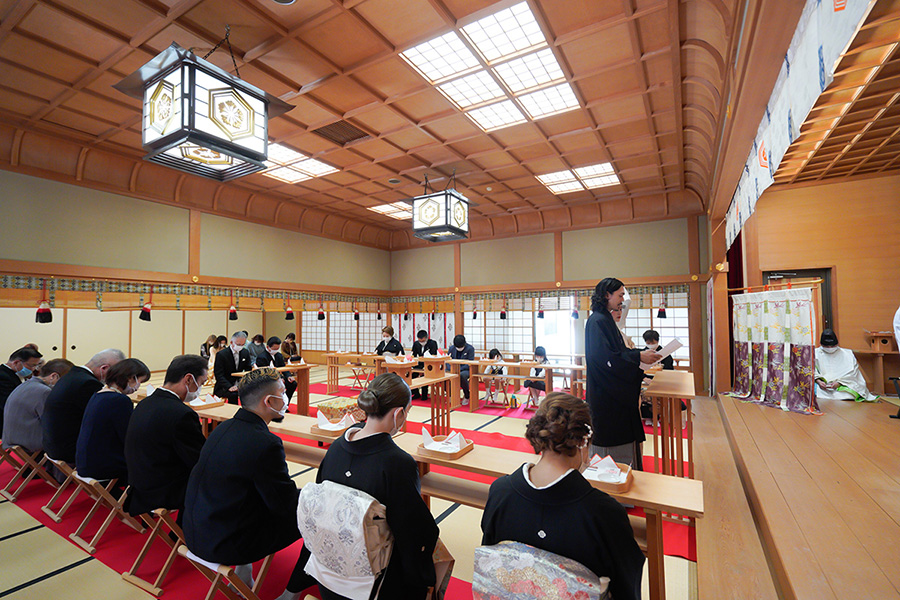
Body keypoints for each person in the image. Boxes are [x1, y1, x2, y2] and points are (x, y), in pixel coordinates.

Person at [283, 373, 439, 600]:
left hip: (326, 573)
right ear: (399, 413)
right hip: (372, 582)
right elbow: (411, 533)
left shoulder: (337, 446)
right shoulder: (397, 462)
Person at [480, 392, 644, 600]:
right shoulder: (603, 511)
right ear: (584, 441)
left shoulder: (500, 491)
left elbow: (491, 555)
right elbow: (626, 583)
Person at [184, 369, 300, 587]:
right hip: (225, 543)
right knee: (313, 521)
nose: (285, 398)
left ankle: (244, 572)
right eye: (283, 392)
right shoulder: (265, 443)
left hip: (195, 531)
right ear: (269, 400)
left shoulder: (224, 427)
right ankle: (292, 591)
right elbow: (284, 503)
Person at [585, 278, 660, 470]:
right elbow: (607, 360)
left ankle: (626, 478)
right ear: (606, 295)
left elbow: (617, 355)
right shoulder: (597, 321)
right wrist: (638, 356)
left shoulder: (605, 319)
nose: (622, 300)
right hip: (607, 395)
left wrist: (638, 357)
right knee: (611, 447)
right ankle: (614, 485)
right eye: (620, 295)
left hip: (614, 393)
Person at [124, 355, 207, 525]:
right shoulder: (181, 413)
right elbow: (199, 460)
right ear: (189, 379)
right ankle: (191, 535)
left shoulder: (145, 403)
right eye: (202, 383)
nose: (201, 388)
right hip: (160, 489)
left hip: (137, 482)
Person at [42, 348, 125, 464]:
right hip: (68, 447)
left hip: (52, 443)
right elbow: (104, 418)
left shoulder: (72, 374)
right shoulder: (88, 383)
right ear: (104, 368)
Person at [76, 358, 151, 482]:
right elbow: (128, 436)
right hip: (102, 466)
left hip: (86, 462)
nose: (137, 387)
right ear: (131, 378)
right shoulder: (118, 400)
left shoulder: (98, 394)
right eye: (140, 382)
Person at [2, 358, 73, 453]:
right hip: (28, 444)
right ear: (54, 376)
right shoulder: (44, 391)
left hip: (11, 439)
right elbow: (52, 422)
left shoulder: (27, 384)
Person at [814, 329, 878, 402]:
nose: (830, 348)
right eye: (827, 346)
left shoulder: (847, 354)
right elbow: (811, 370)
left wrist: (839, 383)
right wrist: (819, 381)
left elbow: (853, 372)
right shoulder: (815, 353)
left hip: (843, 384)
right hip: (821, 386)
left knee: (848, 394)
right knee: (813, 391)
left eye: (832, 346)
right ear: (821, 345)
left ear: (837, 344)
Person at [0, 347, 43, 433]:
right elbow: (7, 403)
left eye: (36, 365)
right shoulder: (3, 376)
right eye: (32, 365)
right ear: (16, 362)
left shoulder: (14, 374)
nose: (33, 369)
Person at [257, 336, 298, 404]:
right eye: (274, 349)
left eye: (277, 348)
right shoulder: (262, 357)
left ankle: (285, 404)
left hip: (279, 377)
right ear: (268, 347)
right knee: (277, 386)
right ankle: (275, 405)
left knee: (293, 384)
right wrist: (278, 378)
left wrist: (288, 376)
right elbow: (264, 373)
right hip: (269, 379)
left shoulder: (278, 355)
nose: (276, 350)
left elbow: (283, 367)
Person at [213, 331, 251, 404]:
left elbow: (248, 370)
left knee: (253, 393)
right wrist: (229, 386)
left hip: (240, 384)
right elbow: (218, 374)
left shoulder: (245, 352)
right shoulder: (221, 354)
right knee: (233, 395)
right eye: (238, 344)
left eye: (243, 344)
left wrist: (242, 384)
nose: (240, 346)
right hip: (225, 385)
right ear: (231, 342)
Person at [411, 330, 438, 400]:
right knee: (411, 374)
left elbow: (434, 356)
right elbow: (413, 355)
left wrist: (424, 368)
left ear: (426, 338)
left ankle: (424, 394)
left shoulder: (433, 343)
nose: (421, 343)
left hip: (429, 365)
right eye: (420, 341)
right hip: (419, 364)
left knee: (425, 375)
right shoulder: (416, 344)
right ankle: (415, 393)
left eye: (423, 341)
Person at [449, 334, 475, 405]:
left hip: (465, 369)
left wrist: (458, 369)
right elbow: (448, 360)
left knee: (462, 376)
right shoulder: (451, 348)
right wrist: (450, 369)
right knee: (445, 375)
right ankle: (451, 394)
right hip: (453, 369)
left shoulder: (470, 349)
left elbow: (470, 362)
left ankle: (467, 395)